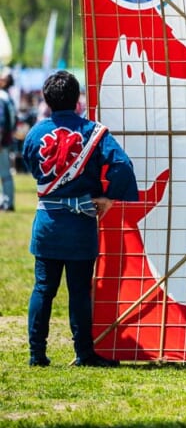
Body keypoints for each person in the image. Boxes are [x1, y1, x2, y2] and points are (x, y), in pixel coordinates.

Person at [22, 70, 139, 367]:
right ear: (77, 101)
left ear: (46, 100)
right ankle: (84, 352)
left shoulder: (35, 133)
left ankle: (37, 354)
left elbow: (30, 166)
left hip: (47, 222)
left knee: (43, 289)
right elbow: (122, 166)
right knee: (79, 290)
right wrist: (109, 197)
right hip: (81, 223)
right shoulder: (93, 132)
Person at [0, 67, 17, 211]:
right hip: (7, 140)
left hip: (2, 142)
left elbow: (1, 121)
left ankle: (7, 202)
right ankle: (5, 200)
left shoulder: (1, 97)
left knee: (5, 174)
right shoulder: (8, 97)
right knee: (5, 173)